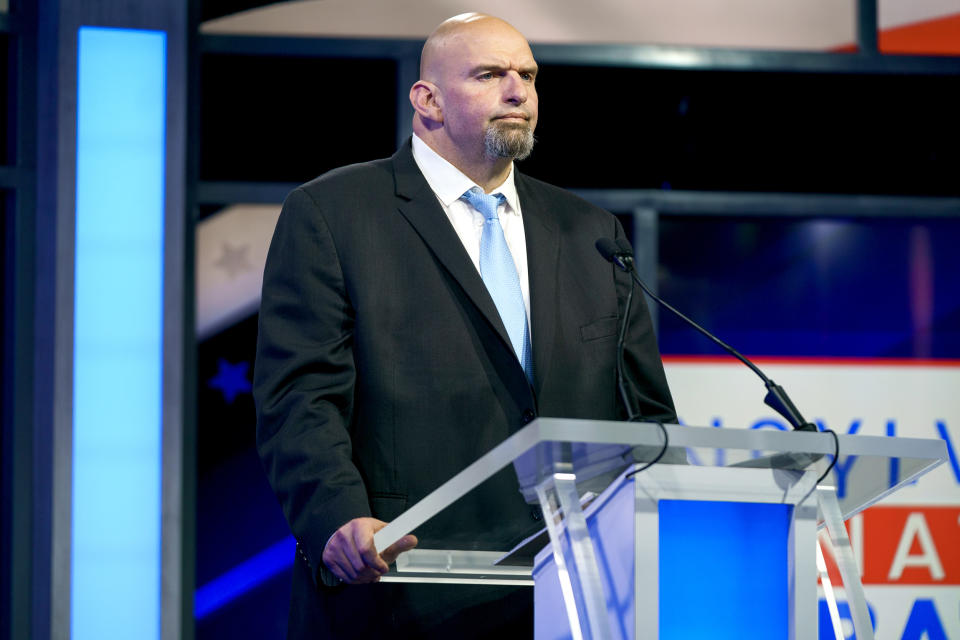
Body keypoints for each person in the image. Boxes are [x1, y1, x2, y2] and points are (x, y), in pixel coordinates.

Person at [253, 12, 677, 638]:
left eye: (527, 75)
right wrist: (337, 518)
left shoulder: (589, 232)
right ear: (427, 100)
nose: (518, 92)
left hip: (571, 597)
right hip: (402, 589)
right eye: (490, 74)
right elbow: (299, 396)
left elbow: (643, 414)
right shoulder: (334, 214)